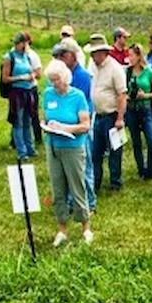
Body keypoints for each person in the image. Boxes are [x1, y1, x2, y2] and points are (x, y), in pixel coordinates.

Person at [41, 59, 93, 245]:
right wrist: (47, 126)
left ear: (65, 78)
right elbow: (45, 117)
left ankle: (85, 227)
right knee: (58, 188)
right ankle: (62, 228)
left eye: (57, 80)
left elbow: (85, 125)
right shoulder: (48, 95)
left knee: (77, 186)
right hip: (53, 146)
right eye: (51, 80)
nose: (54, 84)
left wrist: (66, 128)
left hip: (73, 147)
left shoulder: (77, 96)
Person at [88, 37, 128, 192]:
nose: (92, 57)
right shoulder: (92, 66)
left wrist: (120, 118)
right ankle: (95, 181)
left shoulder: (115, 68)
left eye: (95, 53)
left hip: (112, 115)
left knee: (114, 151)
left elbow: (122, 95)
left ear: (103, 52)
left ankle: (115, 182)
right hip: (98, 115)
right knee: (96, 152)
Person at [2, 32, 40, 160]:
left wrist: (32, 76)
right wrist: (21, 78)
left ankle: (31, 148)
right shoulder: (9, 58)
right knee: (18, 122)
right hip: (17, 92)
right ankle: (22, 151)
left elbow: (34, 71)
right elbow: (5, 78)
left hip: (28, 92)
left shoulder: (27, 57)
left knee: (27, 121)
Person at [125, 45, 152, 180]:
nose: (130, 58)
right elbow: (123, 90)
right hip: (132, 109)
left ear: (139, 56)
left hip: (145, 109)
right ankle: (141, 170)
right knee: (136, 142)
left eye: (132, 55)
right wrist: (128, 97)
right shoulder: (126, 72)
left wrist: (146, 95)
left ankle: (151, 170)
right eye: (129, 56)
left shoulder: (149, 72)